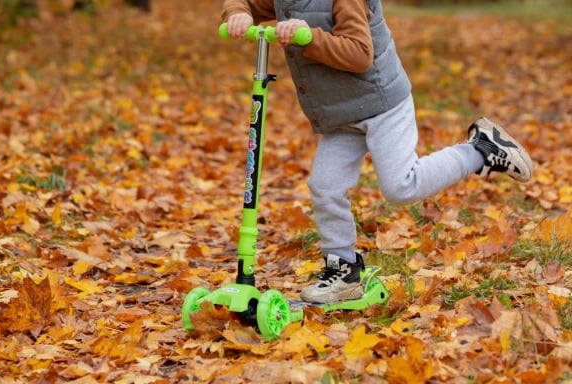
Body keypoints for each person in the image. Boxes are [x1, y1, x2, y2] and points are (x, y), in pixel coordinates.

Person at [222, 0, 533, 304]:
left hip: (381, 103)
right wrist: (237, 13)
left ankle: (481, 149)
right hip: (340, 113)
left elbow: (360, 55)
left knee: (401, 186)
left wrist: (310, 36)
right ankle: (343, 270)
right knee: (324, 187)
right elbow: (246, 3)